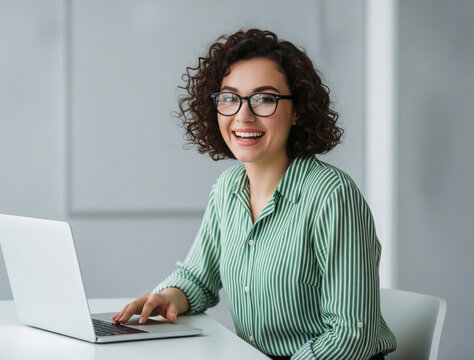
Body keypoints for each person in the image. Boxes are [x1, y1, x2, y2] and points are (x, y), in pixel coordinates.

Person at [113, 29, 396, 360]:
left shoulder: (332, 197)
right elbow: (198, 278)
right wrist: (169, 297)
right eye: (230, 98)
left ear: (298, 111)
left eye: (264, 99)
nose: (243, 116)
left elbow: (350, 336)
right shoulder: (226, 190)